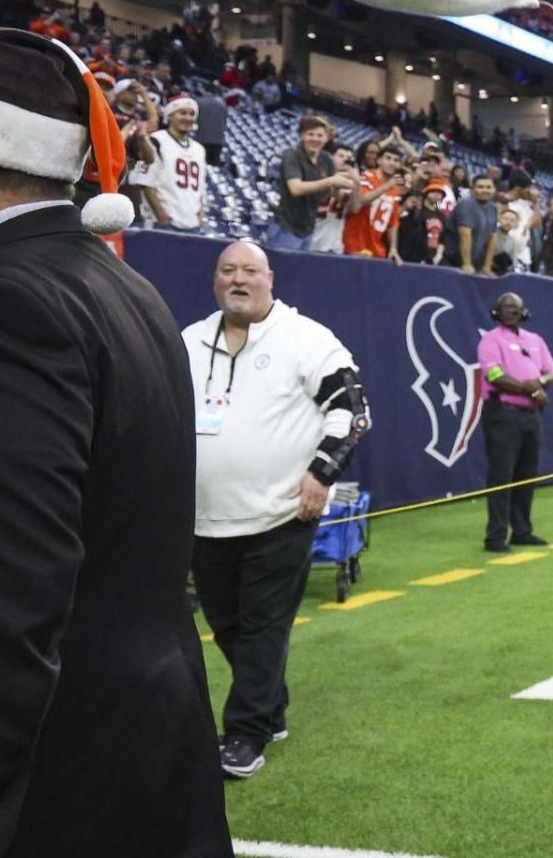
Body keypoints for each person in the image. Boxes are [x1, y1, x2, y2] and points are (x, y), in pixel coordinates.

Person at [0, 27, 229, 857]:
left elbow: (6, 598)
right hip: (148, 733)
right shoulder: (122, 285)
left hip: (54, 774)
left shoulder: (2, 300)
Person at [185, 240, 369, 779]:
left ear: (270, 278)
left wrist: (321, 476)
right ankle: (271, 706)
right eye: (227, 271)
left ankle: (244, 735)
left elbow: (353, 414)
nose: (238, 280)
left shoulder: (308, 340)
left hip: (282, 515)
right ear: (215, 280)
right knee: (227, 626)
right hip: (205, 517)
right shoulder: (189, 341)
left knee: (264, 626)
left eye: (249, 271)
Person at [477, 292, 553, 552]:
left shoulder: (535, 340)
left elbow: (552, 372)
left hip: (530, 416)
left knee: (526, 474)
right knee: (502, 475)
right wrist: (530, 389)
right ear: (496, 313)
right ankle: (495, 536)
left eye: (516, 308)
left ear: (524, 312)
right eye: (506, 308)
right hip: (502, 413)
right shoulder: (491, 340)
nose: (511, 311)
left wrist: (540, 384)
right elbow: (494, 374)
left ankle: (522, 531)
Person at [268, 114, 352, 252]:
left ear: (326, 138)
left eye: (319, 135)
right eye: (310, 134)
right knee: (280, 270)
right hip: (286, 226)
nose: (314, 139)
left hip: (308, 228)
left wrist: (341, 186)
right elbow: (296, 189)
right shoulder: (292, 155)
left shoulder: (325, 160)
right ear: (302, 136)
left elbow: (326, 195)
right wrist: (330, 180)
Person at [124, 93, 208, 231]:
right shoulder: (156, 140)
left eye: (192, 114)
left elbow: (200, 189)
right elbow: (145, 182)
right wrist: (161, 216)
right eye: (182, 113)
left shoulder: (199, 149)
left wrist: (200, 216)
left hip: (193, 224)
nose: (188, 118)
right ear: (169, 116)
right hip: (164, 223)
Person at [344, 141, 406, 259]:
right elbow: (360, 201)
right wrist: (386, 186)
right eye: (388, 158)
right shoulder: (365, 177)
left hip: (377, 249)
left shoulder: (396, 191)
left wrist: (393, 247)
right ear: (379, 161)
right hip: (354, 244)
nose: (392, 163)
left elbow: (393, 222)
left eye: (396, 160)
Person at [453, 173, 501, 275]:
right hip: (454, 263)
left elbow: (492, 237)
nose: (485, 190)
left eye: (488, 187)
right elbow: (464, 235)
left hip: (475, 264)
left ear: (494, 189)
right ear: (473, 189)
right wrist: (467, 264)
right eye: (480, 187)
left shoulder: (493, 208)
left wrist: (487, 266)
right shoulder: (466, 204)